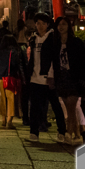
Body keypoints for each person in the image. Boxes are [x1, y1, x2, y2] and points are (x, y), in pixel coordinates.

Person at [41, 15, 85, 145]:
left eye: (64, 24)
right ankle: (77, 135)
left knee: (71, 106)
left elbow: (83, 61)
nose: (61, 27)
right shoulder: (54, 43)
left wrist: (83, 77)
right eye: (59, 24)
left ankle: (68, 133)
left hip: (74, 77)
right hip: (61, 76)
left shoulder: (76, 42)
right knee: (68, 107)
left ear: (69, 26)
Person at [26, 12, 66, 142]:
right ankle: (34, 133)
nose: (40, 26)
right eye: (38, 23)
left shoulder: (52, 38)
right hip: (34, 77)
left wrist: (52, 75)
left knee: (55, 105)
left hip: (48, 77)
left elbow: (55, 59)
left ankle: (61, 132)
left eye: (43, 23)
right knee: (34, 107)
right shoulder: (34, 39)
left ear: (48, 25)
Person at [0, 34, 24, 129]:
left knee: (3, 99)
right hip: (10, 77)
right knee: (11, 99)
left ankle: (3, 119)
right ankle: (9, 121)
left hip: (0, 77)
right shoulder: (15, 51)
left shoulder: (0, 51)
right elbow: (16, 64)